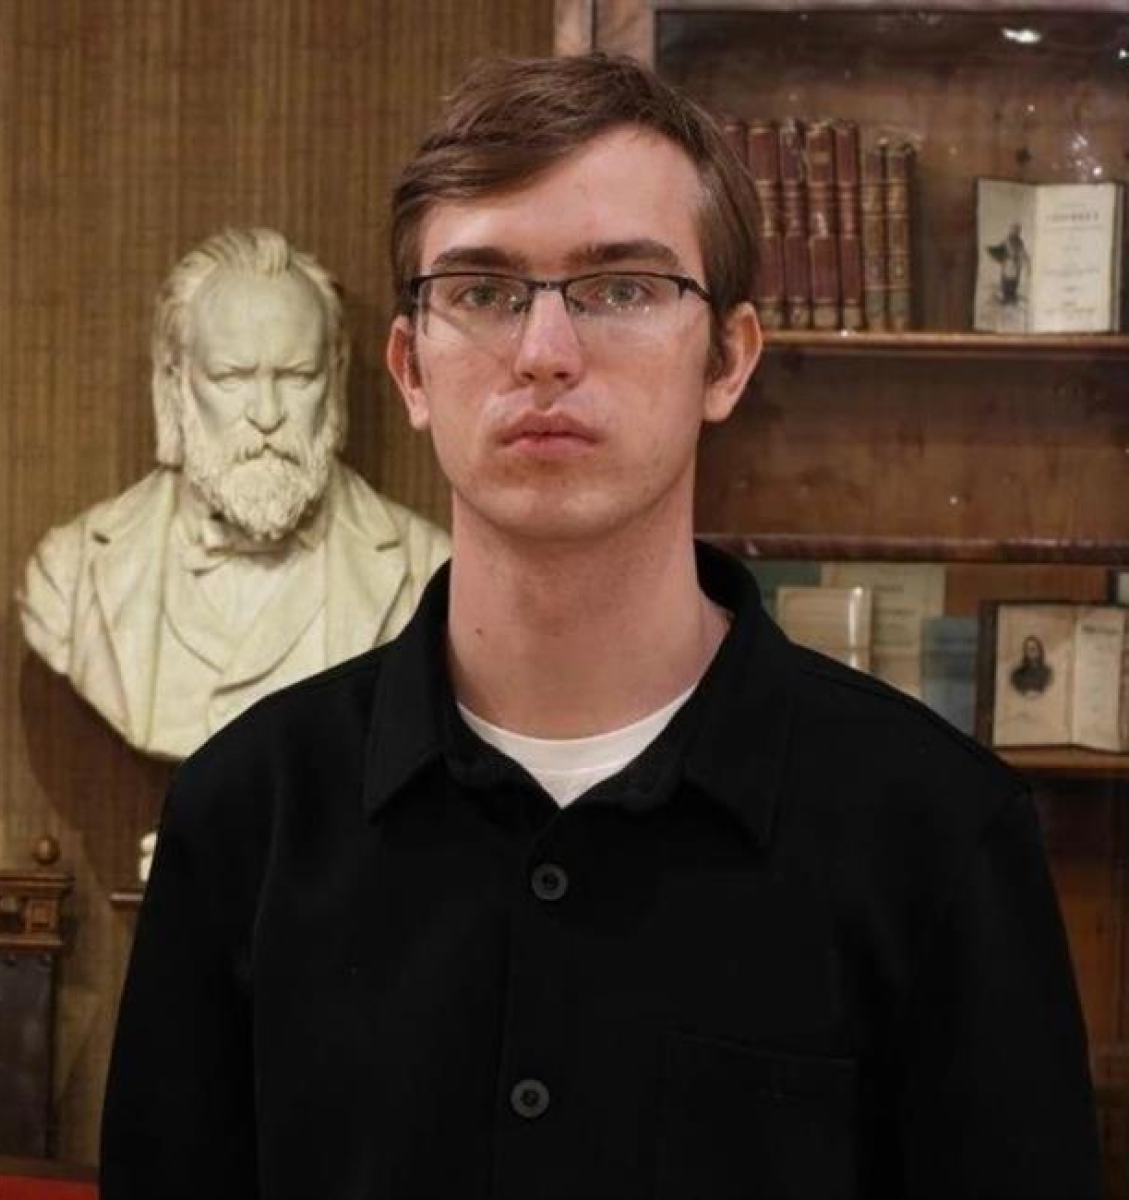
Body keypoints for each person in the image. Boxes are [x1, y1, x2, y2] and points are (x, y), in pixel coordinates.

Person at [100, 56, 1100, 1199]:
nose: (544, 352)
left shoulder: (937, 832)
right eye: (482, 291)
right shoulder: (245, 815)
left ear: (728, 360)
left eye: (621, 288)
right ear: (411, 369)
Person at [18, 227, 449, 760]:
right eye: (231, 377)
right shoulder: (71, 575)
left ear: (335, 378)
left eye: (297, 376)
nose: (267, 415)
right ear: (175, 382)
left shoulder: (427, 574)